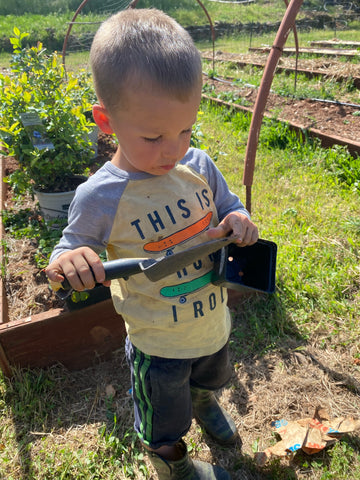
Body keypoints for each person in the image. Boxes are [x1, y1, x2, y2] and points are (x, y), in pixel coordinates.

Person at [45, 8, 258, 480]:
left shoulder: (197, 164)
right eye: (154, 136)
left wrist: (239, 219)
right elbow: (67, 248)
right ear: (106, 120)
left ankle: (204, 402)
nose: (174, 149)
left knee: (210, 377)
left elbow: (228, 205)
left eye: (185, 129)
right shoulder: (100, 195)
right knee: (164, 416)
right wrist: (70, 260)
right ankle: (172, 461)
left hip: (211, 322)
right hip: (158, 342)